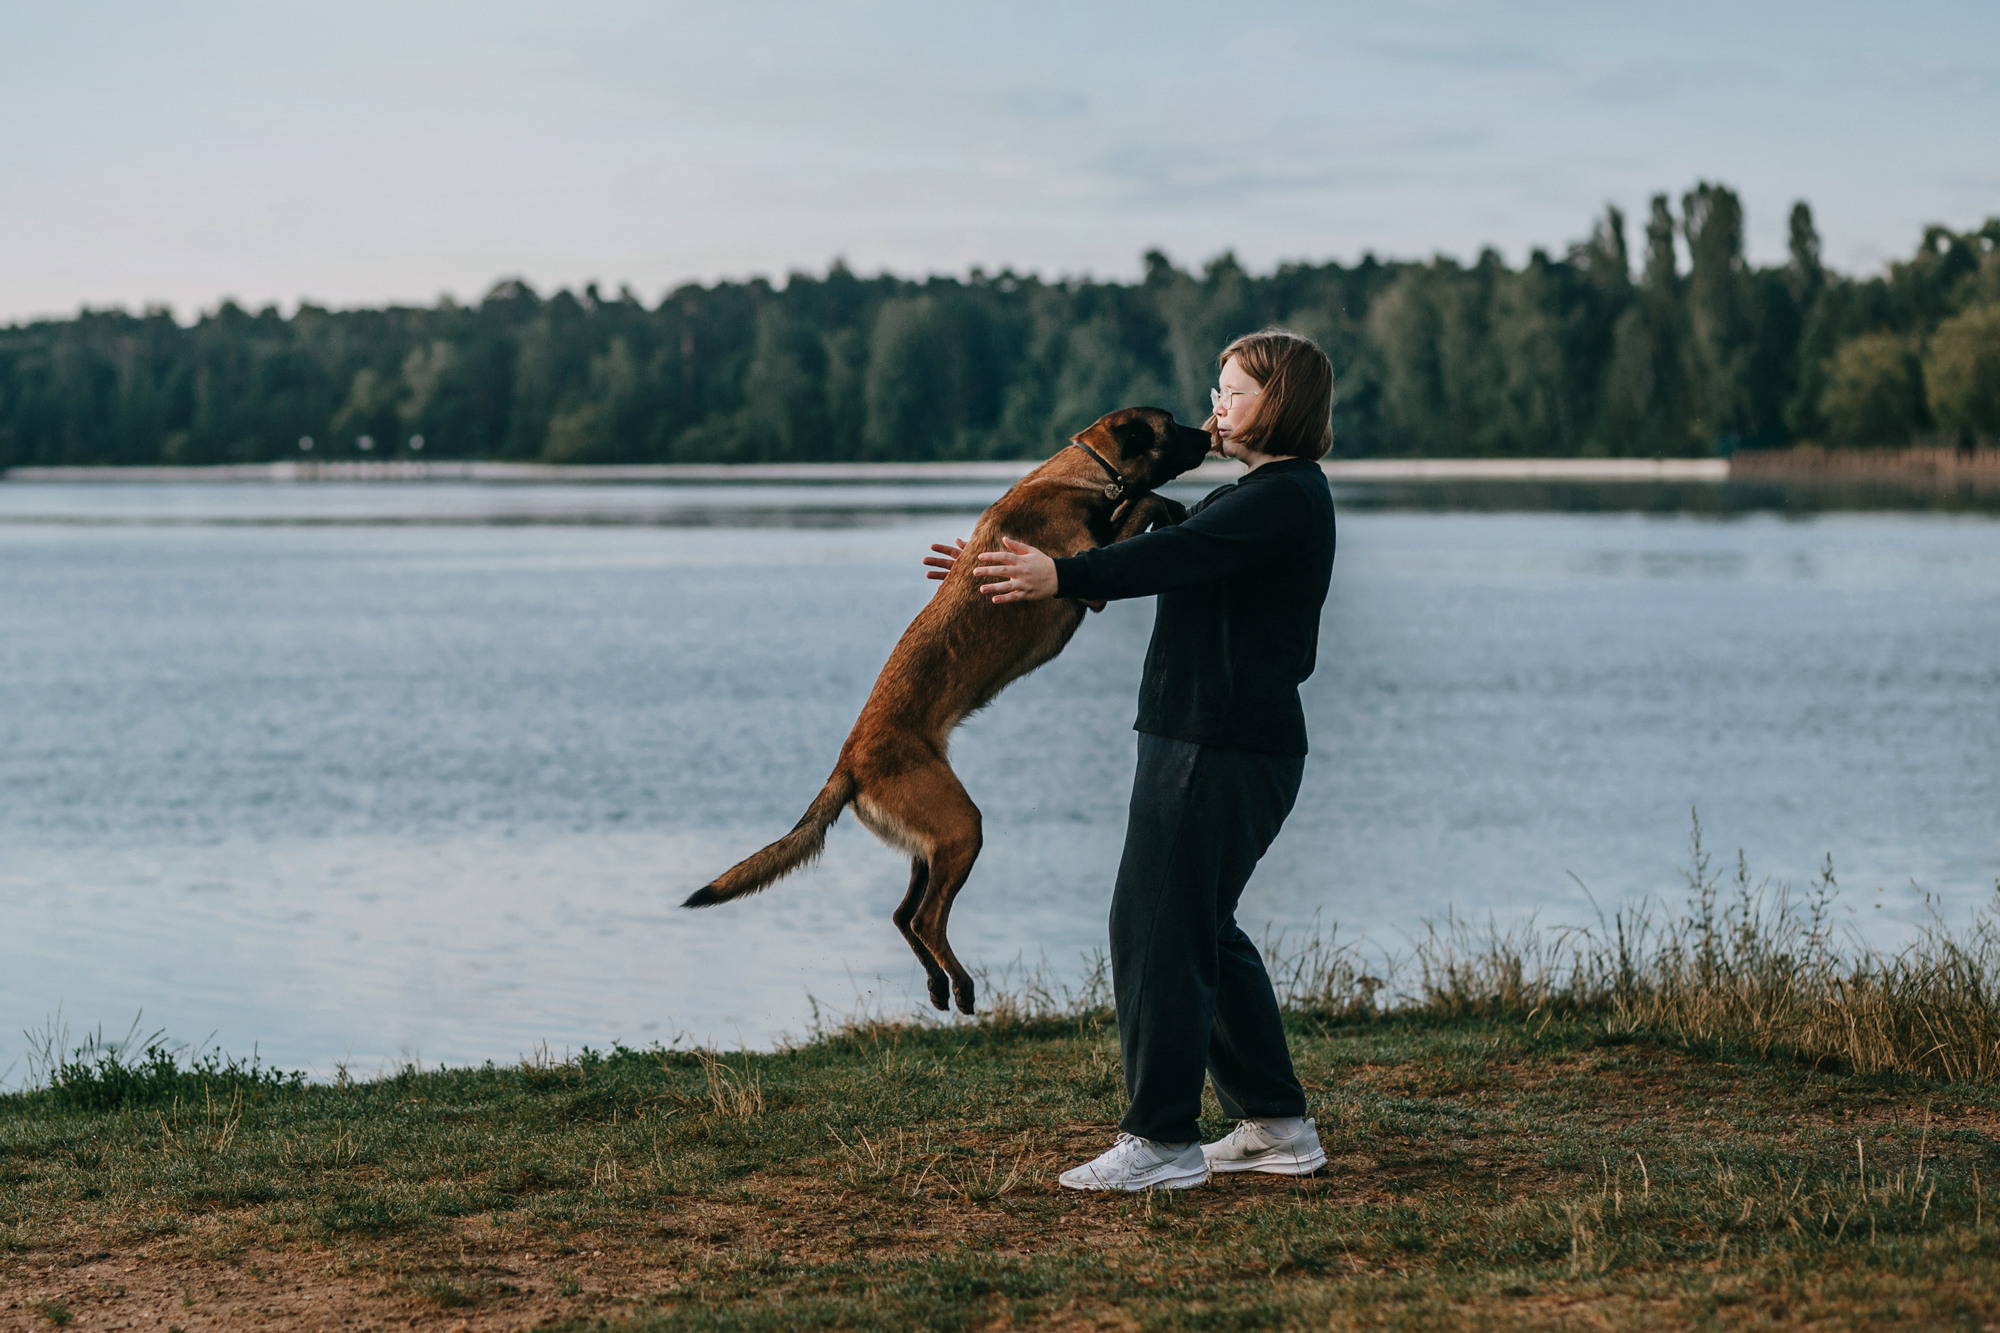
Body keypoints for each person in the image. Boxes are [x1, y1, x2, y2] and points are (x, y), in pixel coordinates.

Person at [926, 329, 1338, 1190]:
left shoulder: (1282, 498)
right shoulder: (1260, 499)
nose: (1215, 405)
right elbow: (1146, 545)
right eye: (1218, 389)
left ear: (1279, 403)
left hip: (1215, 743)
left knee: (1153, 928)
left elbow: (1167, 555)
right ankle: (1277, 1125)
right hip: (1217, 739)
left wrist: (1061, 576)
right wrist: (1002, 571)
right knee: (1200, 927)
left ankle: (1161, 1139)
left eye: (1232, 391)